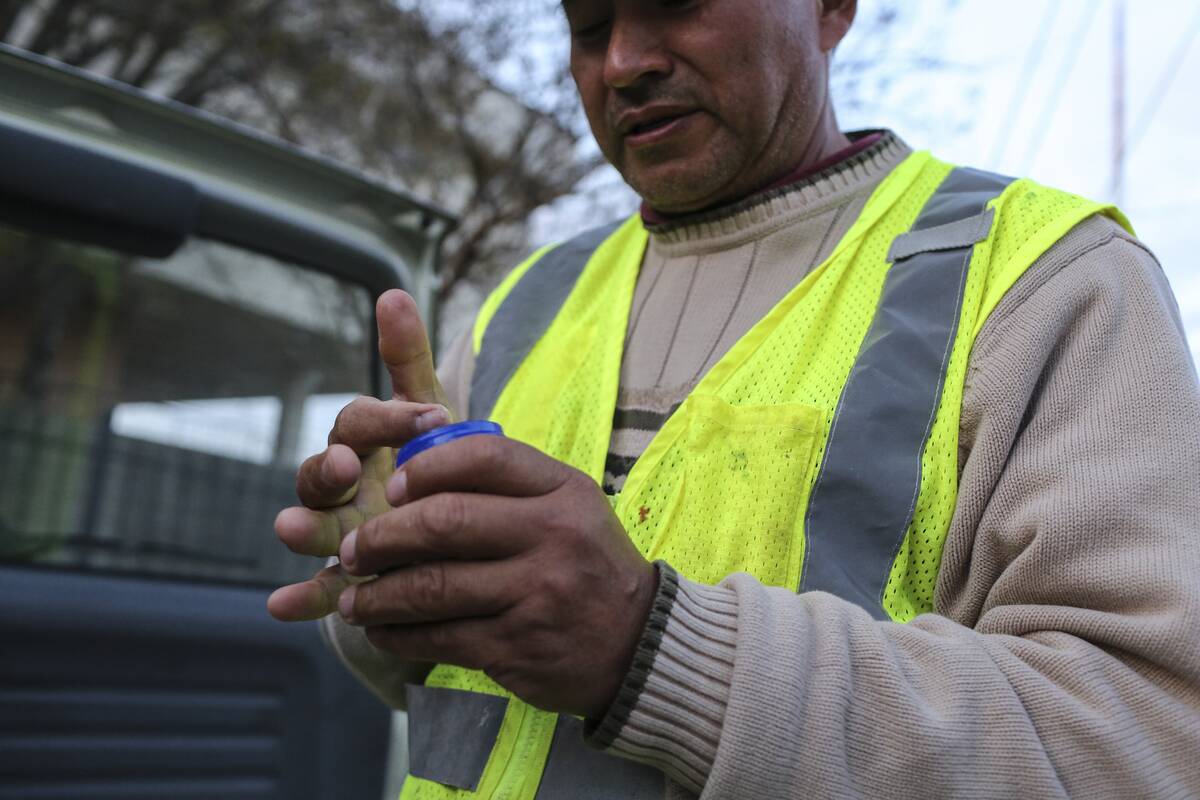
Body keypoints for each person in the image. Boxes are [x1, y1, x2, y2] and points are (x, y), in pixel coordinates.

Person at [268, 0, 1200, 797]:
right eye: (589, 25)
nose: (625, 61)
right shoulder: (527, 301)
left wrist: (653, 646)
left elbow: (1149, 745)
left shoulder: (1046, 283)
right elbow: (457, 704)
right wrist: (391, 585)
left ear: (833, 5)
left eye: (678, 1)